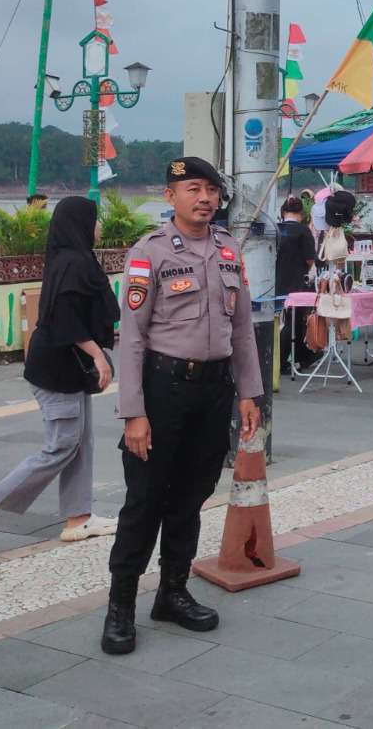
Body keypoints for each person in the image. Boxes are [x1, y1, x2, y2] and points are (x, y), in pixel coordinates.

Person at [101, 156, 263, 655]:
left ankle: (172, 592)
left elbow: (242, 330)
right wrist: (133, 412)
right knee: (144, 500)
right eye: (193, 188)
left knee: (192, 496)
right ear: (170, 196)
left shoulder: (229, 250)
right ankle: (120, 608)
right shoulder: (148, 252)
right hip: (162, 390)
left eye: (211, 190)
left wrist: (249, 393)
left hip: (213, 393)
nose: (205, 198)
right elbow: (131, 338)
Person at [0, 197, 120, 553]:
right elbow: (66, 320)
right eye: (94, 220)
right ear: (79, 223)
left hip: (67, 367)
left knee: (80, 441)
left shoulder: (71, 258)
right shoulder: (73, 263)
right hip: (56, 369)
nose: (98, 227)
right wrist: (99, 356)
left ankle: (79, 518)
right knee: (62, 445)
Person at [274, 196, 317, 377]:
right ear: (301, 213)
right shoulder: (303, 231)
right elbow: (310, 259)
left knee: (282, 322)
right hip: (298, 282)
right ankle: (282, 361)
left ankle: (299, 356)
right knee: (294, 322)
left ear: (283, 211)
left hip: (275, 281)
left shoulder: (275, 229)